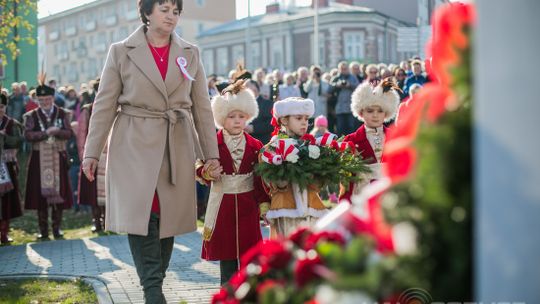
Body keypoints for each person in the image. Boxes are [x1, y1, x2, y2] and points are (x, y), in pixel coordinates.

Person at [81, 0, 220, 302]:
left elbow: (202, 108)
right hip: (133, 142)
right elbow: (104, 104)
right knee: (144, 214)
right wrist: (91, 152)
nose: (172, 16)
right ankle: (153, 290)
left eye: (176, 10)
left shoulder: (190, 52)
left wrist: (211, 155)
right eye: (164, 9)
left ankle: (153, 282)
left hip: (176, 142)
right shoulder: (120, 51)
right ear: (146, 12)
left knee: (167, 216)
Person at [198, 80, 269, 284]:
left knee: (249, 258)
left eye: (242, 116)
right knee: (227, 258)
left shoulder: (256, 145)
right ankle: (227, 293)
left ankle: (248, 294)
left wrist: (264, 204)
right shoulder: (213, 143)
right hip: (223, 206)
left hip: (248, 205)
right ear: (221, 118)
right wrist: (207, 173)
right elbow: (199, 166)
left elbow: (260, 178)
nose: (237, 121)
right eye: (232, 116)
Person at [262, 97, 328, 238]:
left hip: (311, 206)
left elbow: (318, 184)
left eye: (306, 118)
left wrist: (316, 177)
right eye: (298, 118)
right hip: (285, 208)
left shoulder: (312, 146)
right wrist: (280, 182)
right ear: (284, 120)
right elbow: (268, 180)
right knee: (288, 248)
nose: (304, 122)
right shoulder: (272, 148)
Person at [24, 74, 74, 240]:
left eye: (47, 99)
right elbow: (28, 135)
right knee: (40, 194)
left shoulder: (62, 113)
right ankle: (43, 229)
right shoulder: (31, 116)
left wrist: (57, 131)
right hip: (39, 158)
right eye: (41, 100)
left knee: (59, 193)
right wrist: (45, 133)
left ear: (53, 98)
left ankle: (57, 228)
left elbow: (69, 133)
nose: (44, 103)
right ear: (37, 100)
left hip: (58, 156)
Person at [339, 80, 400, 203]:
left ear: (386, 113)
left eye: (380, 111)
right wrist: (345, 202)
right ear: (361, 113)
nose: (375, 115)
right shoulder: (351, 140)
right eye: (370, 111)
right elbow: (346, 177)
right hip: (362, 195)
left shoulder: (395, 136)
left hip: (390, 194)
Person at [77, 78, 106, 231]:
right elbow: (82, 134)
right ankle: (97, 222)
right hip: (94, 155)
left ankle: (109, 221)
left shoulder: (117, 107)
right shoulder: (87, 110)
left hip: (110, 156)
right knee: (94, 192)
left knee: (110, 190)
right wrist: (84, 156)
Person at [0, 90, 24, 245]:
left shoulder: (12, 123)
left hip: (7, 167)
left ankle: (4, 233)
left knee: (7, 202)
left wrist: (3, 136)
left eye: (1, 106)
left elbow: (17, 142)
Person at [330, 61, 359, 136]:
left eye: (345, 68)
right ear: (339, 69)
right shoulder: (336, 78)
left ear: (348, 69)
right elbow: (329, 89)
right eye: (342, 69)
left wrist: (349, 85)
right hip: (339, 108)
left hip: (350, 108)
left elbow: (358, 87)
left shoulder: (352, 77)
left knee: (351, 128)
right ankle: (340, 146)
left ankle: (351, 145)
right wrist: (337, 85)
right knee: (340, 128)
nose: (343, 70)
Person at [245, 80, 273, 145]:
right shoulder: (240, 104)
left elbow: (271, 125)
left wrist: (253, 128)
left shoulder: (267, 104)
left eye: (246, 86)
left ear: (255, 89)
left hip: (262, 142)